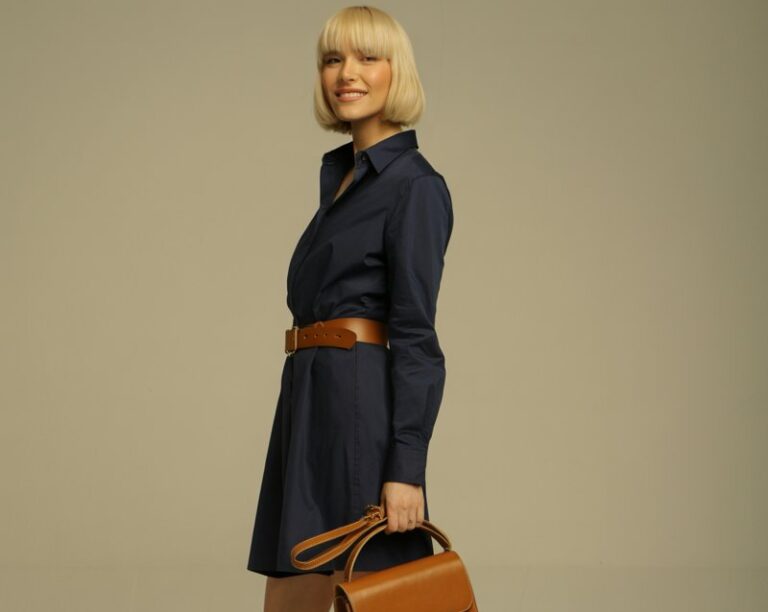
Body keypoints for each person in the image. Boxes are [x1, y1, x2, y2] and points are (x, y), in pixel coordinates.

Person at [246, 6, 454, 611]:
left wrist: (406, 468)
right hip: (309, 403)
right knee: (294, 594)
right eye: (333, 59)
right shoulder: (343, 183)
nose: (346, 73)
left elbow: (417, 336)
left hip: (358, 410)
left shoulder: (414, 186)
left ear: (398, 72)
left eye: (367, 57)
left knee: (370, 593)